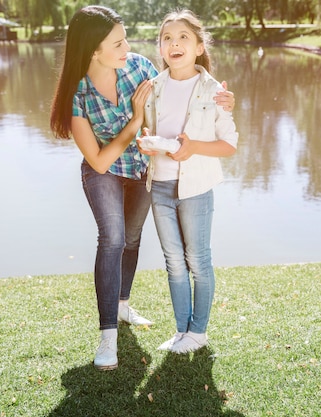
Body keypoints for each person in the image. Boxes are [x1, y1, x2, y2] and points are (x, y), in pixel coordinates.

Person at [49, 5, 235, 370]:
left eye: (126, 39)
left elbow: (182, 87)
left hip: (141, 169)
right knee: (113, 238)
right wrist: (135, 122)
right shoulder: (79, 94)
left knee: (132, 239)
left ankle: (122, 306)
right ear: (93, 51)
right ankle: (108, 337)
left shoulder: (139, 68)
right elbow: (100, 161)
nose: (127, 48)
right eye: (118, 43)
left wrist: (222, 100)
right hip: (103, 171)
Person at [140, 10, 239, 354]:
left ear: (198, 47)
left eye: (183, 37)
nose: (174, 44)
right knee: (173, 262)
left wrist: (194, 147)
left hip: (196, 189)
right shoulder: (153, 87)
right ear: (161, 48)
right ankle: (182, 331)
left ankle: (199, 333)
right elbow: (152, 129)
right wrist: (147, 138)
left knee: (198, 260)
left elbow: (229, 145)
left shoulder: (214, 91)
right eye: (167, 38)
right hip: (161, 187)